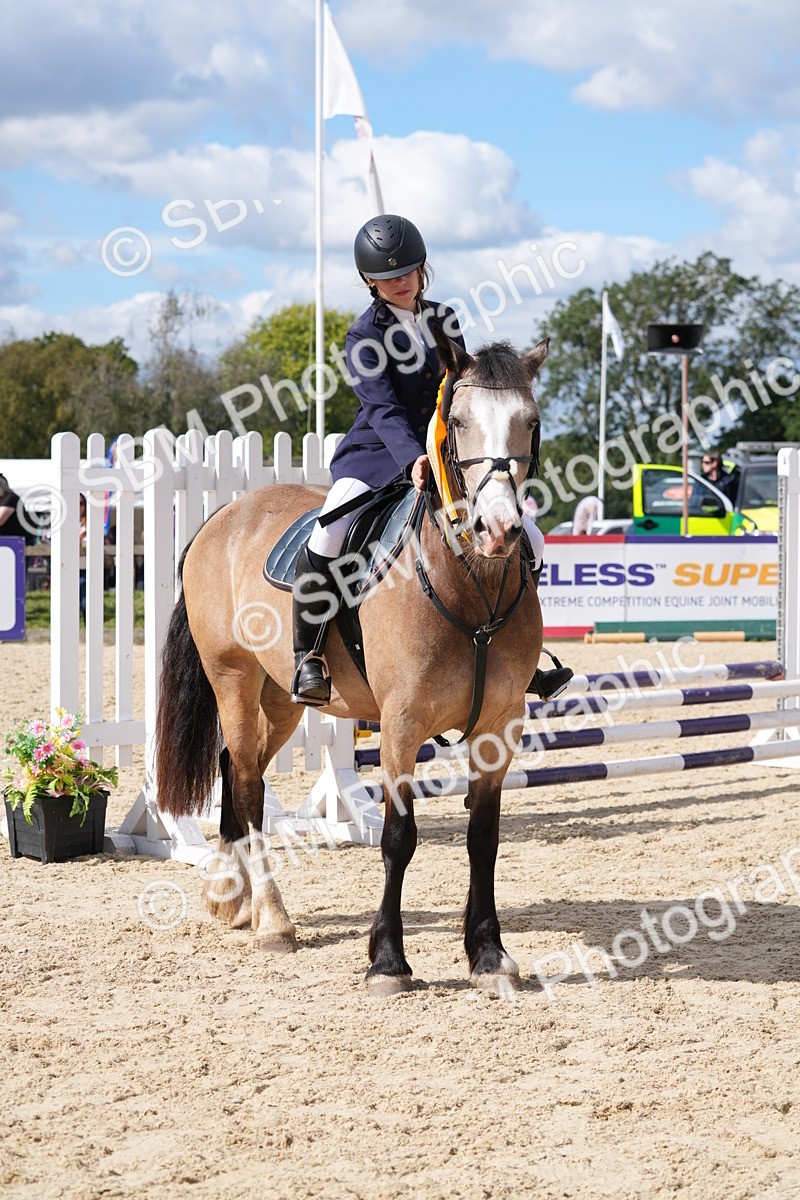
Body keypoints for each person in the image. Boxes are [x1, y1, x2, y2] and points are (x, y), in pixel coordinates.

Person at [291, 213, 572, 706]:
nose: (400, 282)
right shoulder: (363, 336)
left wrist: (448, 451)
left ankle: (520, 653)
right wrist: (411, 459)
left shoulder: (443, 318)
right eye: (387, 277)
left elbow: (456, 389)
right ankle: (308, 656)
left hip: (450, 450)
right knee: (328, 532)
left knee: (532, 537)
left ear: (423, 270)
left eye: (408, 272)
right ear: (369, 282)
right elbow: (380, 408)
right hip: (377, 452)